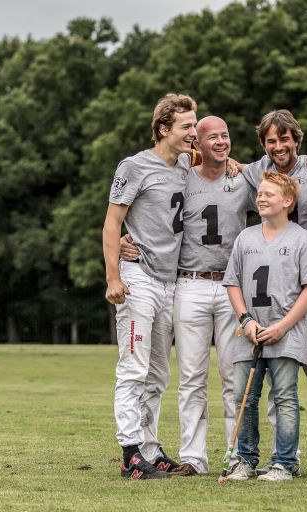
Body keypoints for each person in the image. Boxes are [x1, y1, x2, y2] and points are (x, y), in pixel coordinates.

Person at [102, 93, 196, 479]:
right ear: (163, 128)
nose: (194, 132)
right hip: (138, 278)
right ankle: (129, 454)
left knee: (159, 374)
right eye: (186, 126)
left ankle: (151, 448)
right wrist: (113, 277)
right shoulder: (135, 165)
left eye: (194, 124)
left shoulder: (188, 164)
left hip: (169, 281)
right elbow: (112, 224)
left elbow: (218, 164)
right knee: (134, 369)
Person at [223, 171, 307, 481]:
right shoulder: (246, 237)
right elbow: (233, 282)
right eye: (260, 193)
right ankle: (246, 460)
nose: (261, 198)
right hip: (249, 334)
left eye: (269, 194)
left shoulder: (303, 239)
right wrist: (245, 319)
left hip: (286, 332)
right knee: (244, 397)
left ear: (288, 201)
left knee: (285, 397)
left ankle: (284, 462)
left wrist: (282, 326)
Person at [168, 116, 255, 476]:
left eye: (225, 136)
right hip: (190, 282)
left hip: (233, 286)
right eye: (212, 137)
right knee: (191, 376)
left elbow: (285, 191)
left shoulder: (244, 177)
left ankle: (236, 455)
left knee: (233, 375)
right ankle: (193, 457)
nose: (221, 142)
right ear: (196, 144)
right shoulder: (181, 176)